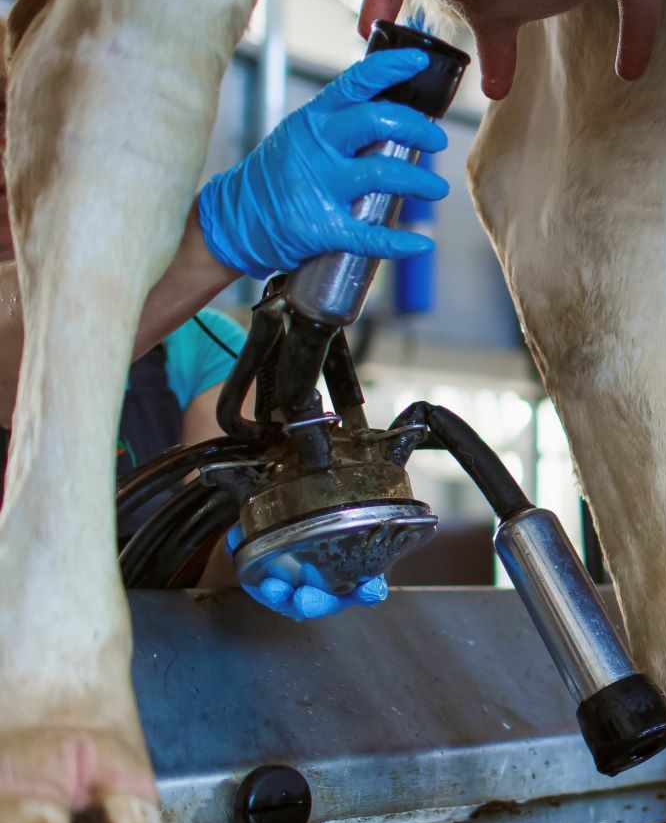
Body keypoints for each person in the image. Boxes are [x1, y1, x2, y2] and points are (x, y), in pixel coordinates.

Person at [0, 47, 451, 620]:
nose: (12, 148)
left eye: (37, 122)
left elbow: (201, 551)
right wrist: (220, 230)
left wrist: (268, 550)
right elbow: (28, 353)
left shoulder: (202, 345)